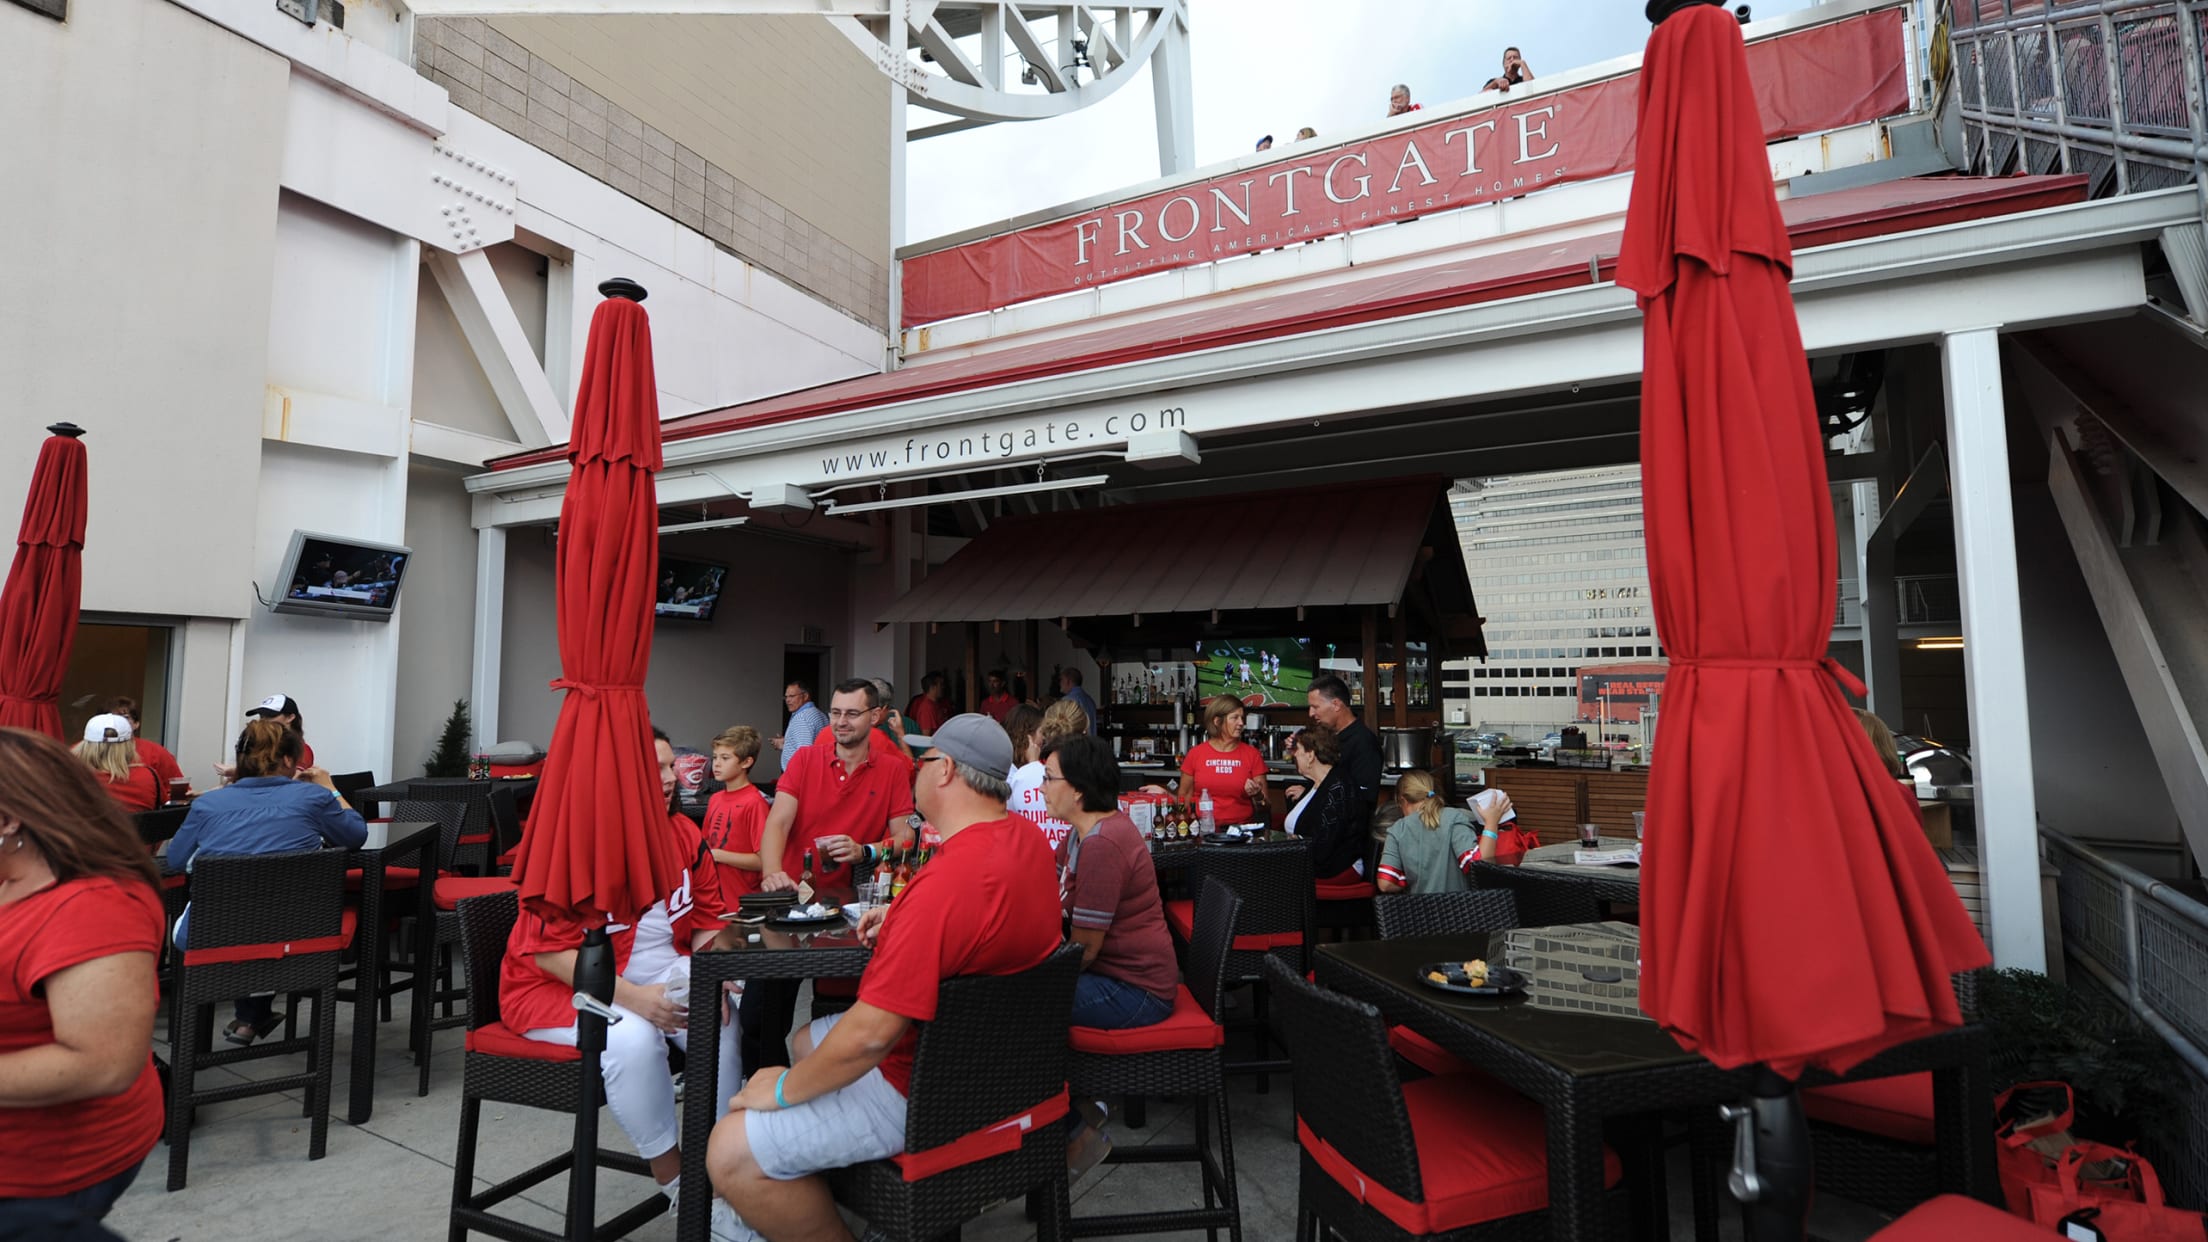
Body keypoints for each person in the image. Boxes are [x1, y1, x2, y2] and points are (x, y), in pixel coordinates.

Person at [706, 715, 1061, 1242]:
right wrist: (900, 918)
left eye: (922, 761)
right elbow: (981, 923)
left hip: (922, 1089)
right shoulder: (1027, 843)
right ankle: (832, 1192)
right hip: (995, 1069)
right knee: (806, 1039)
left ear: (945, 773)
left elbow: (872, 1036)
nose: (913, 771)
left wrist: (779, 1089)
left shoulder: (946, 882)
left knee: (728, 1149)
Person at [505, 727, 739, 1215]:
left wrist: (709, 973)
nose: (671, 777)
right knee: (632, 1037)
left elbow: (706, 921)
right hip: (557, 988)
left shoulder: (682, 833)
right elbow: (547, 954)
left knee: (724, 1015)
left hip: (660, 970)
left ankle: (722, 1165)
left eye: (671, 766)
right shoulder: (577, 842)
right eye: (655, 769)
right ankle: (680, 1187)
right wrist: (635, 999)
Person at [0, 729, 166, 1232]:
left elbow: (104, 1064)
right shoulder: (149, 773)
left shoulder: (92, 906)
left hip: (45, 1173)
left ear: (8, 820)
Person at [745, 679, 916, 1071]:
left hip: (852, 914)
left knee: (842, 1014)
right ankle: (767, 1094)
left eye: (852, 714)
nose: (841, 722)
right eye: (836, 712)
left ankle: (828, 1091)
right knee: (760, 1017)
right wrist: (771, 873)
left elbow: (905, 837)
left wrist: (865, 850)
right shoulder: (806, 760)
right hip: (793, 905)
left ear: (874, 717)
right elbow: (778, 822)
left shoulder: (891, 768)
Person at [168, 719, 366, 1044]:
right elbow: (356, 835)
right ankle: (252, 1017)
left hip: (213, 935)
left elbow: (176, 861)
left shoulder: (208, 804)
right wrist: (328, 785)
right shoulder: (311, 798)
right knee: (270, 914)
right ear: (288, 760)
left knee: (246, 914)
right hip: (300, 932)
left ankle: (240, 1023)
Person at [1045, 734, 1176, 1030]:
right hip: (1115, 977)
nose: (1042, 788)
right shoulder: (1079, 834)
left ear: (1078, 789)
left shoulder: (1102, 843)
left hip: (1135, 990)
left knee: (1017, 999)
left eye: (1049, 778)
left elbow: (1085, 951)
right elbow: (1043, 890)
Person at [1281, 725, 1367, 879]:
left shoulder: (1337, 786)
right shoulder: (1317, 784)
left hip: (1334, 869)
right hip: (1309, 864)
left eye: (1298, 751)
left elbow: (1324, 845)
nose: (1294, 756)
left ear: (1310, 755)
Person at [1376, 770, 1481, 893]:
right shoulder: (1454, 818)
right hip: (1461, 908)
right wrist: (1491, 824)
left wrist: (1412, 877)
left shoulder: (1398, 829)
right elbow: (1474, 864)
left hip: (1419, 909)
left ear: (1403, 800)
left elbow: (1386, 883)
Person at [1173, 696, 1268, 827]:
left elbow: (1265, 807)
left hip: (1240, 832)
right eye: (1235, 718)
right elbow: (1183, 800)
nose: (1241, 723)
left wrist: (1258, 796)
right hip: (1202, 829)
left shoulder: (1252, 755)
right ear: (1217, 721)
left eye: (1242, 718)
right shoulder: (1196, 754)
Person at [1006, 698, 1084, 848]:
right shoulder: (1092, 774)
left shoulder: (1022, 776)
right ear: (1085, 733)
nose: (1043, 788)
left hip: (1034, 863)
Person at [703, 725, 768, 899]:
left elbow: (763, 860)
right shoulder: (714, 799)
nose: (716, 763)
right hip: (714, 897)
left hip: (742, 900)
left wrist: (719, 855)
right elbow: (705, 844)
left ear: (746, 762)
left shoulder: (755, 803)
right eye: (715, 757)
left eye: (725, 758)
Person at [1305, 674, 1382, 814]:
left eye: (1315, 707)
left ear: (1335, 704)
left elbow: (1363, 797)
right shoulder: (1330, 737)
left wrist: (1318, 796)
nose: (1311, 713)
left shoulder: (1363, 742)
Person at [213, 693, 314, 784]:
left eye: (270, 716)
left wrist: (238, 771)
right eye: (262, 716)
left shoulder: (302, 749)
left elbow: (291, 781)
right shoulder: (259, 744)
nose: (264, 720)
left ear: (290, 717)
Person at [73, 715, 161, 813]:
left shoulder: (71, 778)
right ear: (129, 746)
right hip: (133, 828)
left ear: (85, 745)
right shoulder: (148, 776)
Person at [106, 696, 185, 798]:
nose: (117, 723)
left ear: (136, 724)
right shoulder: (84, 751)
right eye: (111, 718)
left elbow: (180, 794)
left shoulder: (156, 752)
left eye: (124, 718)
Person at [771, 682, 826, 754]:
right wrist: (787, 744)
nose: (787, 700)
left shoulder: (802, 718)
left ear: (805, 696)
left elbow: (804, 754)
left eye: (792, 696)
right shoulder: (819, 714)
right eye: (786, 697)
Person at [1058, 667, 1100, 735]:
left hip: (1076, 743)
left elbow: (1062, 728)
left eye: (1061, 680)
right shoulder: (1090, 700)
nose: (1060, 683)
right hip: (1091, 743)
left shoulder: (1067, 700)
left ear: (1068, 681)